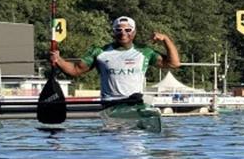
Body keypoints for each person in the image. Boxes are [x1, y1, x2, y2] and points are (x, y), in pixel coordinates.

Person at [50, 16, 181, 101]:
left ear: (134, 33)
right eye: (118, 30)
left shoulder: (145, 52)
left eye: (128, 30)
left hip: (134, 102)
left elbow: (174, 63)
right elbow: (75, 70)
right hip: (110, 104)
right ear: (113, 32)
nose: (123, 33)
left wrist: (166, 40)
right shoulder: (99, 52)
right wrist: (58, 60)